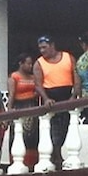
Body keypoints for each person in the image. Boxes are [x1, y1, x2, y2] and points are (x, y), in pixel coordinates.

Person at [33, 35, 81, 167]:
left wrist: (74, 96)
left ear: (52, 45)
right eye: (40, 48)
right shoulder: (39, 63)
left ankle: (57, 155)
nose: (42, 50)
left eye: (44, 47)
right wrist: (46, 98)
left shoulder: (68, 57)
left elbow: (76, 78)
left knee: (65, 127)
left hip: (67, 98)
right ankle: (57, 157)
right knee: (54, 130)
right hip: (51, 99)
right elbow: (38, 84)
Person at [7, 53, 39, 169]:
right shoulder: (14, 77)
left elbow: (38, 91)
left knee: (32, 137)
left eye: (31, 64)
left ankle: (32, 164)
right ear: (21, 63)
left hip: (32, 108)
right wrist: (9, 111)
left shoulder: (33, 78)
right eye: (28, 63)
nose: (30, 66)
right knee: (19, 135)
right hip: (19, 107)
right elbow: (12, 95)